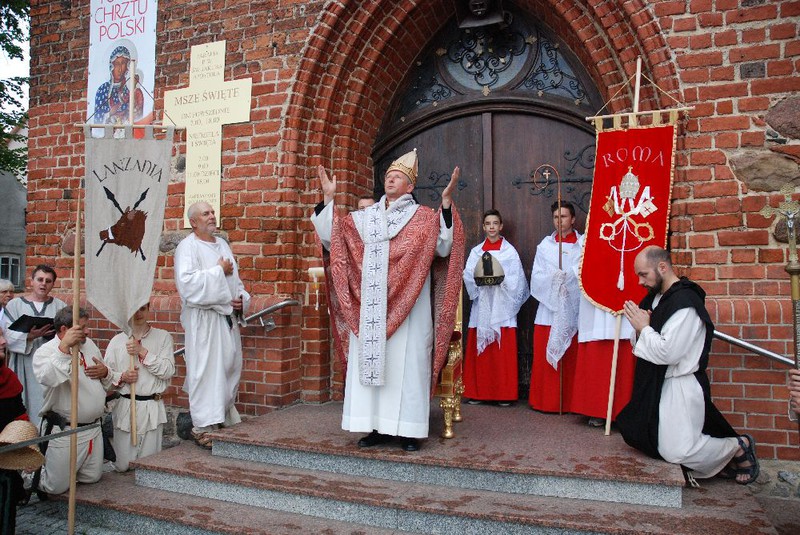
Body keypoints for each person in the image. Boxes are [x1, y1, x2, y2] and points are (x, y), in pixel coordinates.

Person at [310, 149, 465, 451]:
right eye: (388, 175)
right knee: (374, 368)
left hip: (410, 308)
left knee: (407, 367)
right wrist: (328, 200)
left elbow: (446, 248)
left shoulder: (422, 219)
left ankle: (408, 430)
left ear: (410, 187)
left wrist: (445, 205)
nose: (391, 179)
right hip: (370, 307)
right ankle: (374, 426)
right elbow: (334, 241)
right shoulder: (363, 219)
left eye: (399, 177)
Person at [617, 246, 759, 485]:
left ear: (662, 267)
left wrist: (643, 327)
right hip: (660, 382)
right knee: (656, 440)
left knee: (678, 452)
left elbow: (668, 352)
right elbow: (645, 341)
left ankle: (737, 446)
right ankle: (721, 461)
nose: (640, 281)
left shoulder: (685, 302)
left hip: (681, 383)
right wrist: (641, 329)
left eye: (643, 274)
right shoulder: (656, 297)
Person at [175, 202, 250, 450]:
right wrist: (218, 271)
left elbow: (235, 281)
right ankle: (202, 426)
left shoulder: (222, 245)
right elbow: (187, 285)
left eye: (212, 212)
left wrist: (241, 299)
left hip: (226, 319)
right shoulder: (187, 248)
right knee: (206, 372)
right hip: (204, 321)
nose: (211, 216)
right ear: (193, 222)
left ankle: (222, 417)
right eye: (205, 214)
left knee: (229, 366)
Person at [32, 307, 112, 495]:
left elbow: (104, 376)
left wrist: (105, 372)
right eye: (81, 328)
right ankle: (29, 476)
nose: (87, 332)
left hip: (92, 428)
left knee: (92, 477)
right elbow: (49, 378)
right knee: (55, 487)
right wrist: (64, 348)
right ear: (64, 330)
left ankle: (68, 472)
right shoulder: (46, 351)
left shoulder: (89, 344)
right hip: (66, 429)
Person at [462, 209, 528, 405]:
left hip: (502, 307)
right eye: (488, 224)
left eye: (495, 223)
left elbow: (517, 278)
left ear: (501, 226)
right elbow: (467, 274)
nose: (491, 227)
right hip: (482, 305)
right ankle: (478, 393)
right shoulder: (476, 252)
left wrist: (501, 282)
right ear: (484, 227)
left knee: (502, 352)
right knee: (480, 351)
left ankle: (504, 394)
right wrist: (480, 282)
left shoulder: (509, 252)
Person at [570, 237, 636, 427]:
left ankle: (624, 412)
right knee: (597, 354)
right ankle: (597, 410)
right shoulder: (588, 236)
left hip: (625, 302)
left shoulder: (630, 227)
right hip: (596, 306)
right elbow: (578, 267)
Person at [104, 303, 175, 471]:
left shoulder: (163, 337)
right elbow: (106, 378)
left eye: (142, 309)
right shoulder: (117, 341)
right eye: (134, 310)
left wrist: (142, 351)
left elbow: (167, 371)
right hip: (126, 407)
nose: (138, 314)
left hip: (152, 406)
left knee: (149, 466)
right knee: (122, 466)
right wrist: (122, 377)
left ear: (148, 309)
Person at [528, 201, 582, 413]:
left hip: (572, 307)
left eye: (564, 217)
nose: (560, 222)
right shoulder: (545, 246)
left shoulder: (582, 244)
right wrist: (554, 279)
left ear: (573, 219)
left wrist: (569, 280)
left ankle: (571, 402)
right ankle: (546, 401)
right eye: (556, 218)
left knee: (571, 356)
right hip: (549, 309)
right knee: (545, 356)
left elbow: (584, 272)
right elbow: (537, 276)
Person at [4, 265, 67, 427]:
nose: (43, 284)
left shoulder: (60, 306)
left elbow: (68, 333)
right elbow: (6, 335)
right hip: (24, 362)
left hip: (50, 361)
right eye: (40, 279)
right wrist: (29, 336)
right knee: (25, 400)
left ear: (53, 284)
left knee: (48, 401)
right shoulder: (15, 305)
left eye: (48, 281)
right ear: (32, 281)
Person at [93, 44, 144, 125]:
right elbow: (97, 120)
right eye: (116, 64)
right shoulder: (103, 90)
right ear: (111, 66)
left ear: (127, 66)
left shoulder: (130, 88)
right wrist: (110, 113)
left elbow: (138, 114)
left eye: (123, 63)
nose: (120, 69)